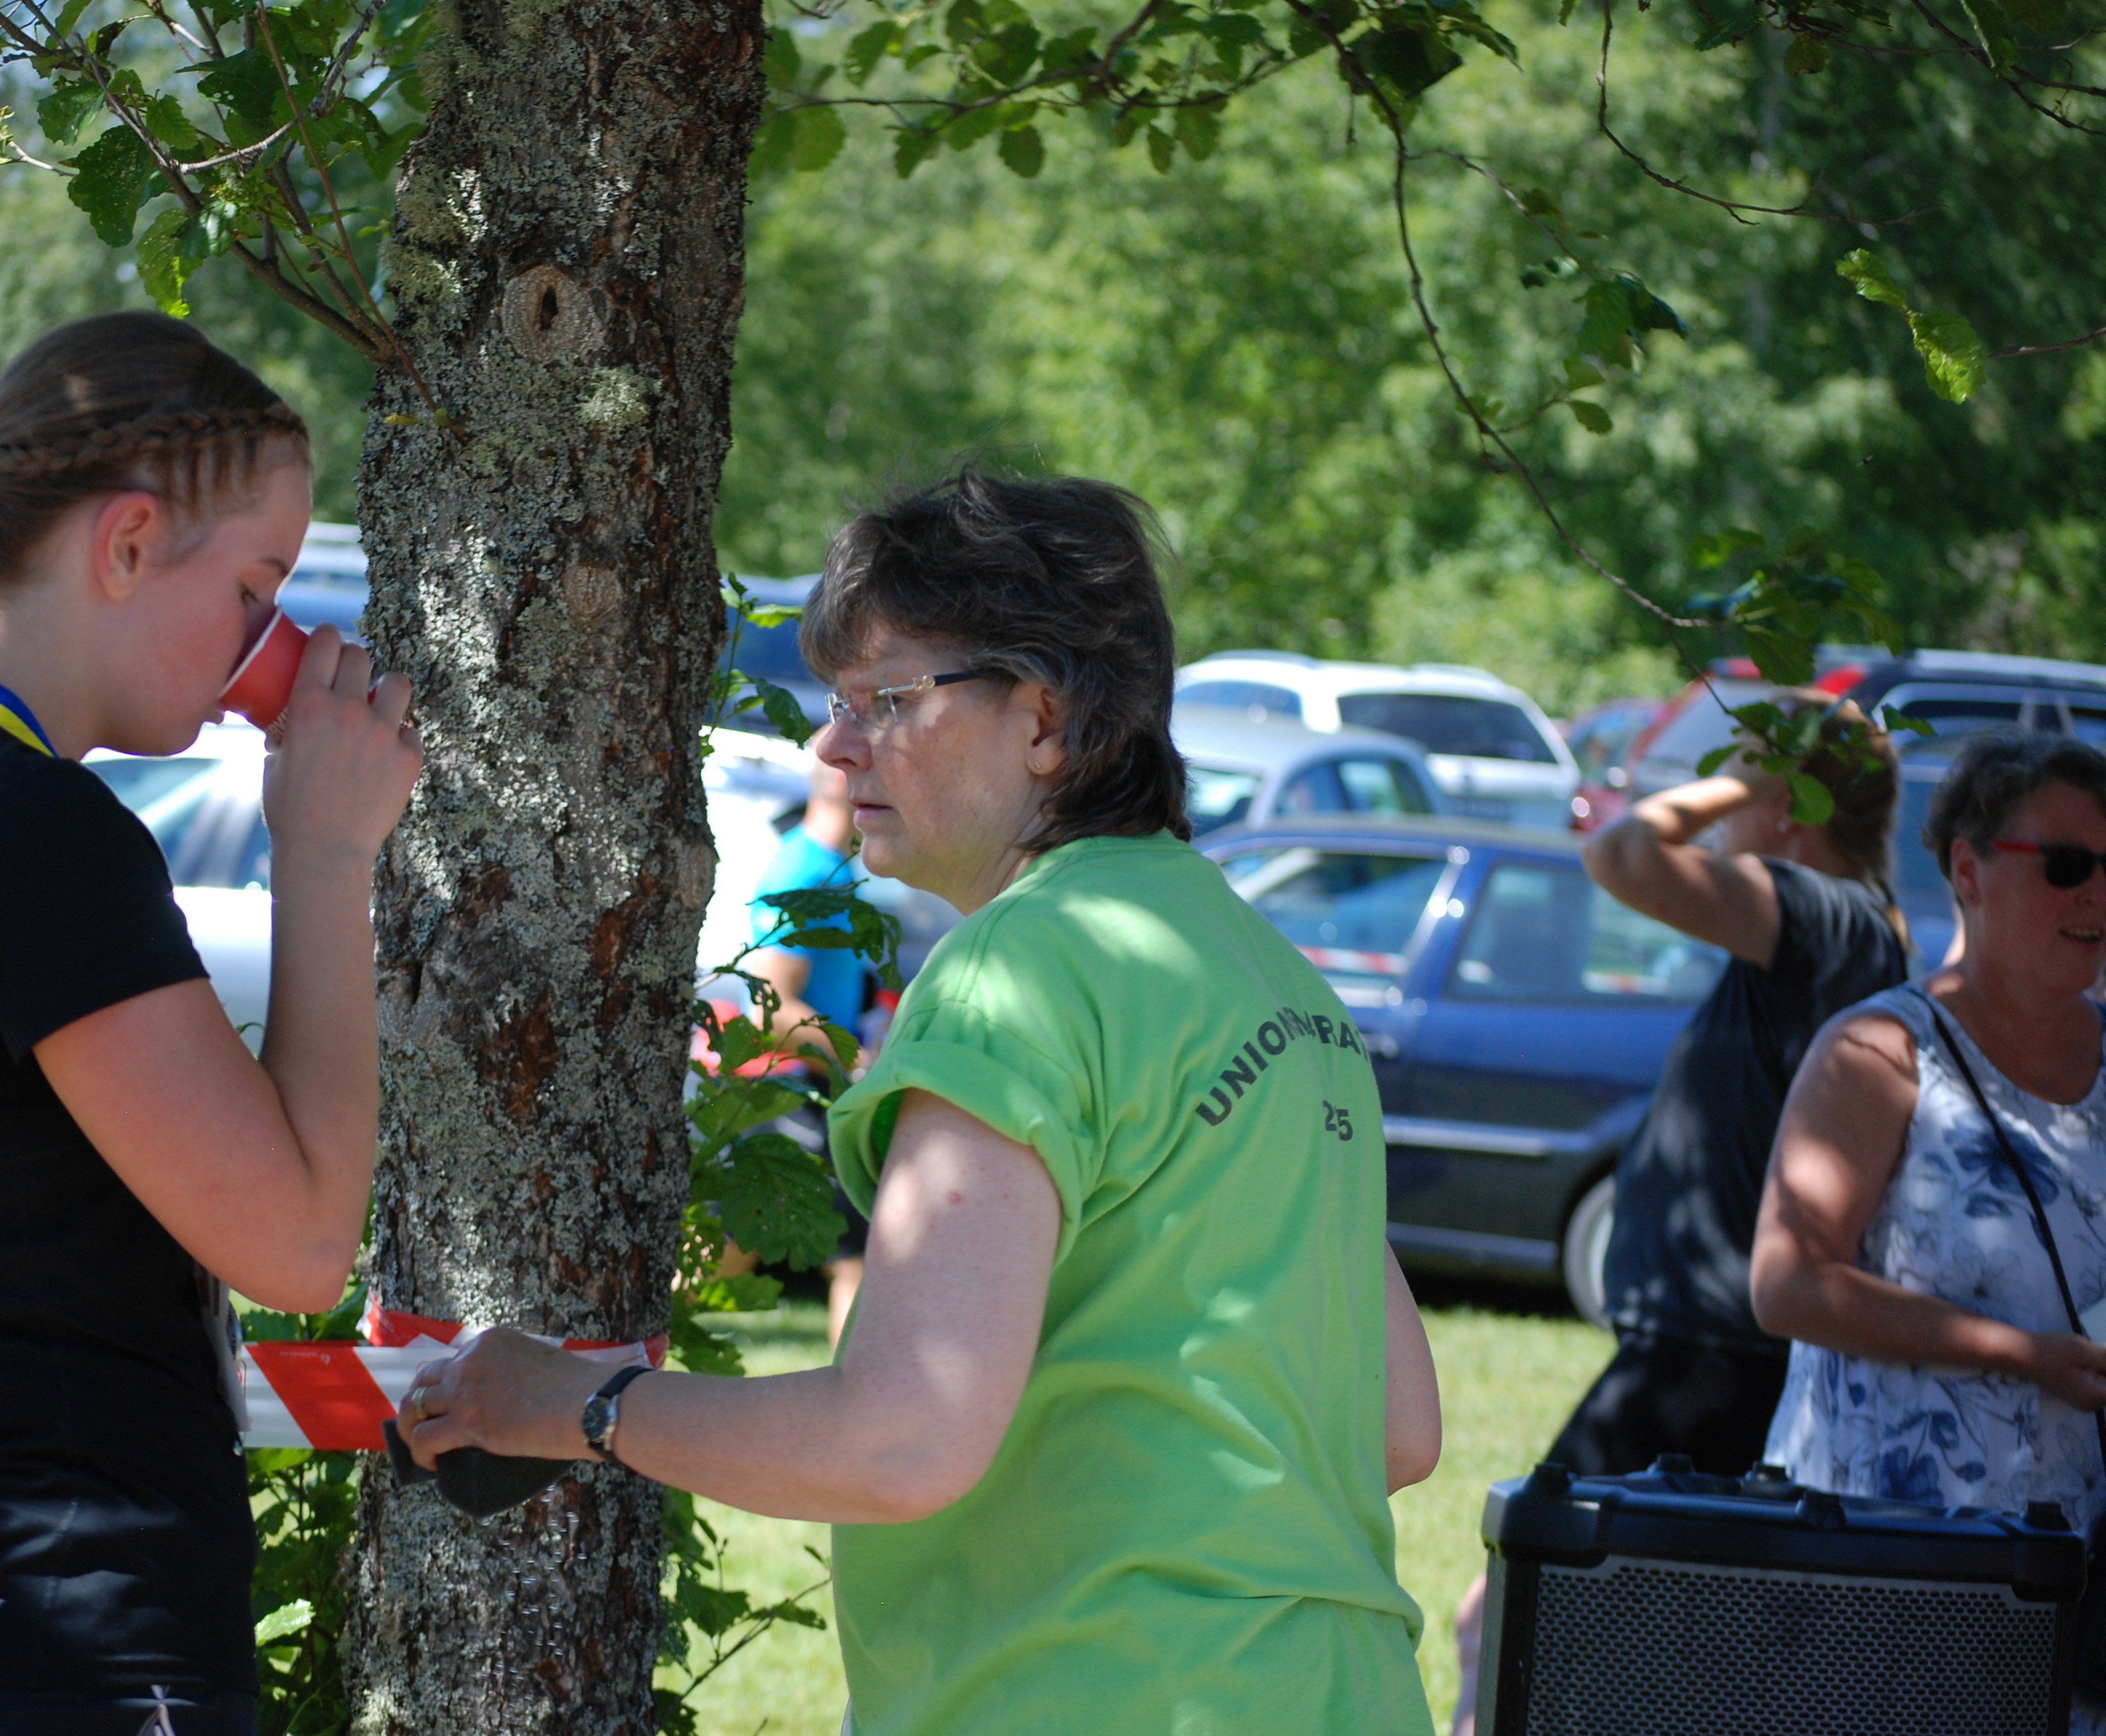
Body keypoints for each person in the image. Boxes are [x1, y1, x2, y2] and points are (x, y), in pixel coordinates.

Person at [392, 472, 1444, 1735]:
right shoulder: (1276, 979)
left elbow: (900, 1439)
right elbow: (1398, 1428)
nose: (834, 748)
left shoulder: (1022, 967)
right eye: (838, 704)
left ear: (1044, 719)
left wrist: (570, 1404)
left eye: (887, 700)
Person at [0, 313, 423, 1736]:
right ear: (127, 544)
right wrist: (326, 855)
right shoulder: (38, 830)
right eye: (254, 587)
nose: (267, 642)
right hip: (57, 1644)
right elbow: (297, 1245)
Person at [1449, 694, 1909, 1735]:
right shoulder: (1837, 933)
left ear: (1787, 803)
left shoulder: (1825, 915)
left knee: (1512, 1611)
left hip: (1706, 1354)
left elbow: (1622, 855)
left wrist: (1743, 779)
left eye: (1739, 778)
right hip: (1706, 1353)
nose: (1721, 802)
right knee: (1624, 1649)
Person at [1752, 730, 2106, 1727]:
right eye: (2066, 864)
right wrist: (2019, 1354)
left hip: (2075, 1598)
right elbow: (1786, 1284)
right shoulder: (1879, 1051)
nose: (2096, 894)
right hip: (1891, 1574)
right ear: (1967, 870)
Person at [745, 756, 875, 1342]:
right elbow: (769, 1008)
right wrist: (855, 1060)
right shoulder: (802, 871)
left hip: (807, 1085)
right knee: (857, 1263)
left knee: (732, 1253)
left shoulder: (832, 868)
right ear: (848, 778)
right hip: (791, 1087)